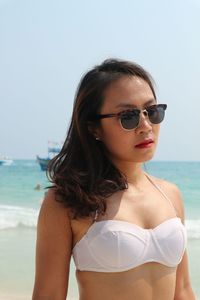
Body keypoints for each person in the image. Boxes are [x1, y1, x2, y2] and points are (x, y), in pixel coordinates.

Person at [32, 59, 195, 300]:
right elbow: (49, 295)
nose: (145, 125)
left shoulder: (170, 195)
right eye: (128, 117)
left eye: (152, 112)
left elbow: (182, 291)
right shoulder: (66, 201)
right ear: (94, 128)